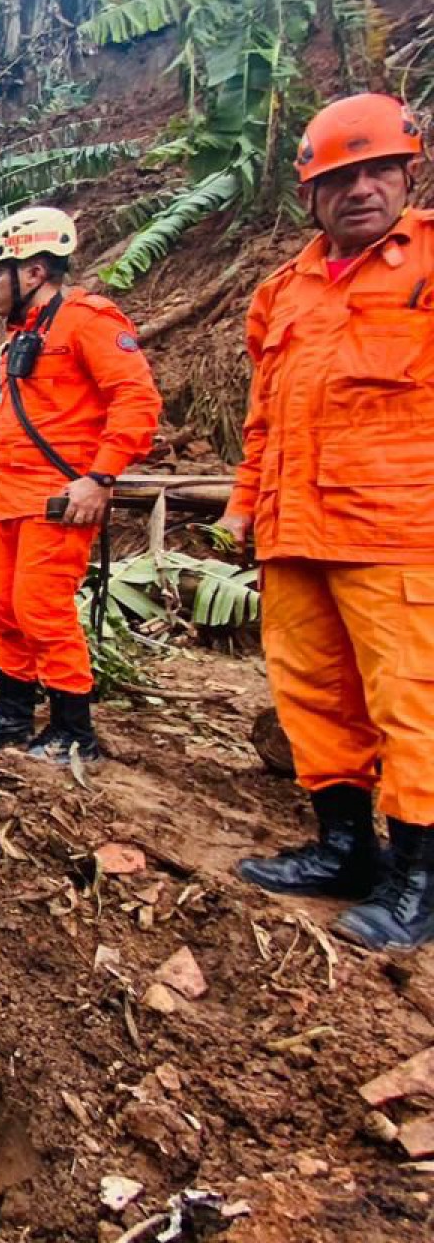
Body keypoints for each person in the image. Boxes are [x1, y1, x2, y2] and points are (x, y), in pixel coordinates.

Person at [226, 94, 434, 952]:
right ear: (310, 193)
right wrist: (246, 502)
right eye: (339, 177)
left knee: (412, 703)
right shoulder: (284, 293)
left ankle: (419, 878)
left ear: (407, 172)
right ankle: (343, 846)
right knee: (313, 696)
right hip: (295, 528)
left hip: (400, 530)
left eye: (378, 169)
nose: (360, 189)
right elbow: (264, 415)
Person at [0, 206, 161, 762]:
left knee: (43, 607)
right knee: (1, 606)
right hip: (10, 493)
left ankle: (73, 729)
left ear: (35, 271)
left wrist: (101, 477)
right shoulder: (26, 333)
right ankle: (12, 717)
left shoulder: (90, 321)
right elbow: (35, 411)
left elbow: (136, 400)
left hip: (60, 494)